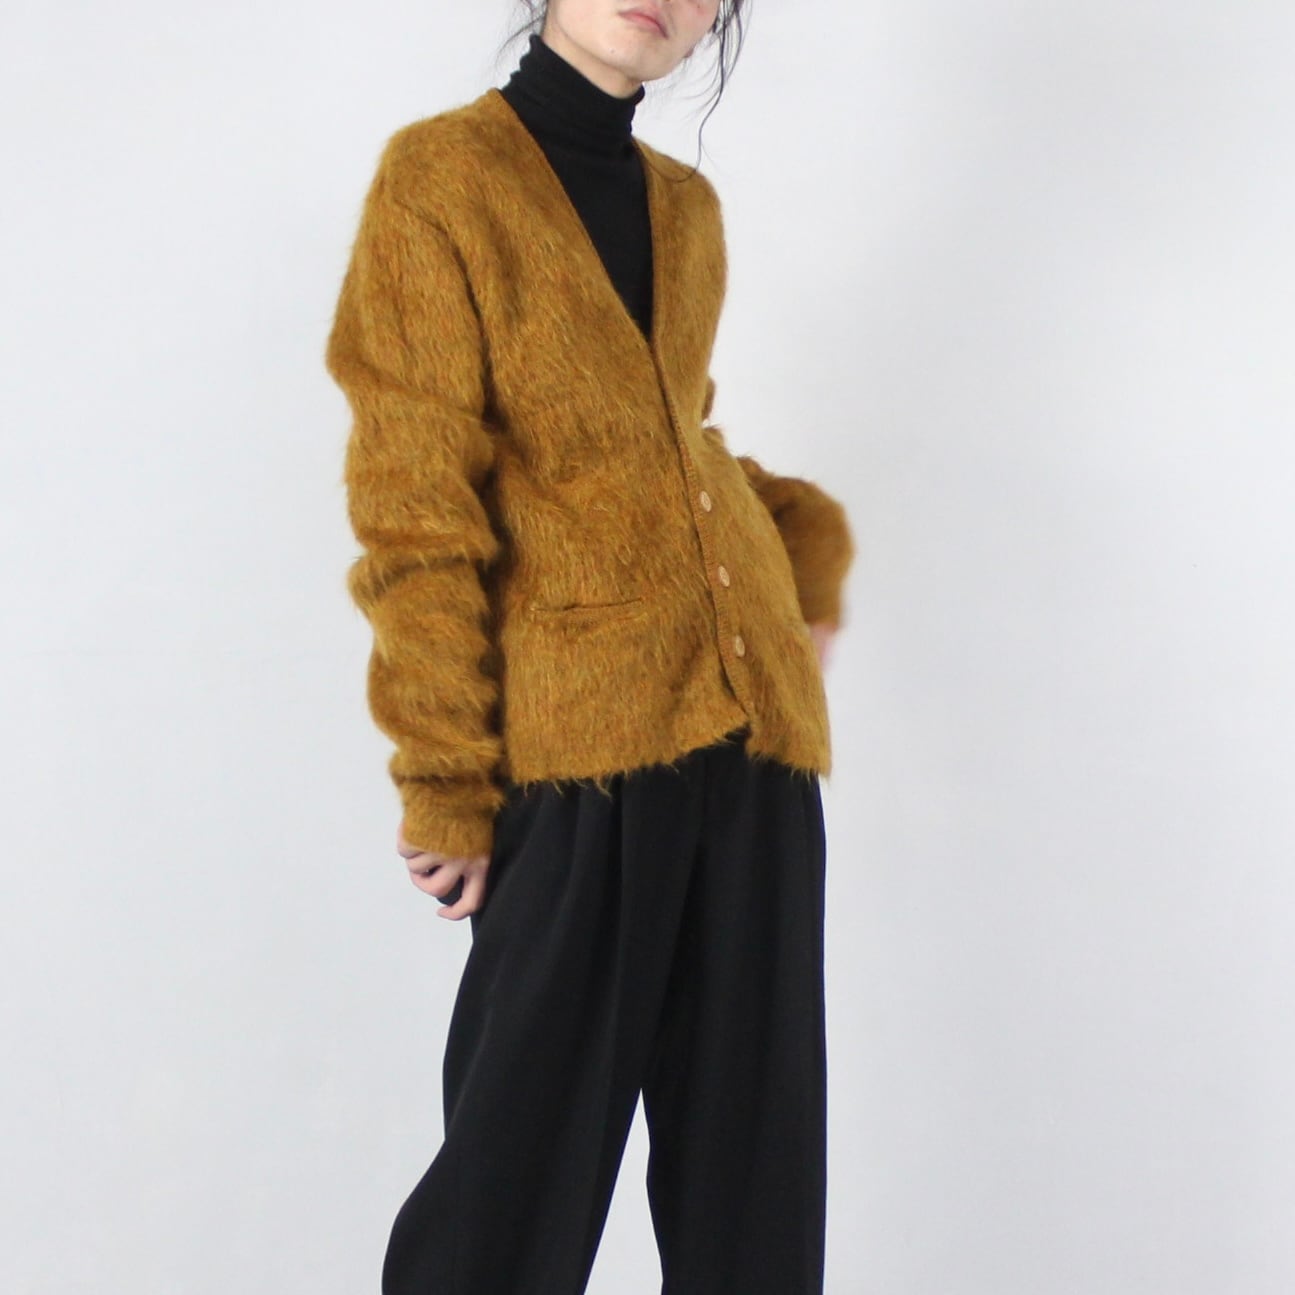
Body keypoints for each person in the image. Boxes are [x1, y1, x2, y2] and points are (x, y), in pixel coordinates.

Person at [324, 2, 856, 1291]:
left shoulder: (687, 210)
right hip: (575, 759)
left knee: (756, 1197)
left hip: (754, 748)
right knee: (509, 1199)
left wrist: (806, 548)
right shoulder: (442, 178)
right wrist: (445, 780)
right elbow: (415, 506)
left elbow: (675, 447)